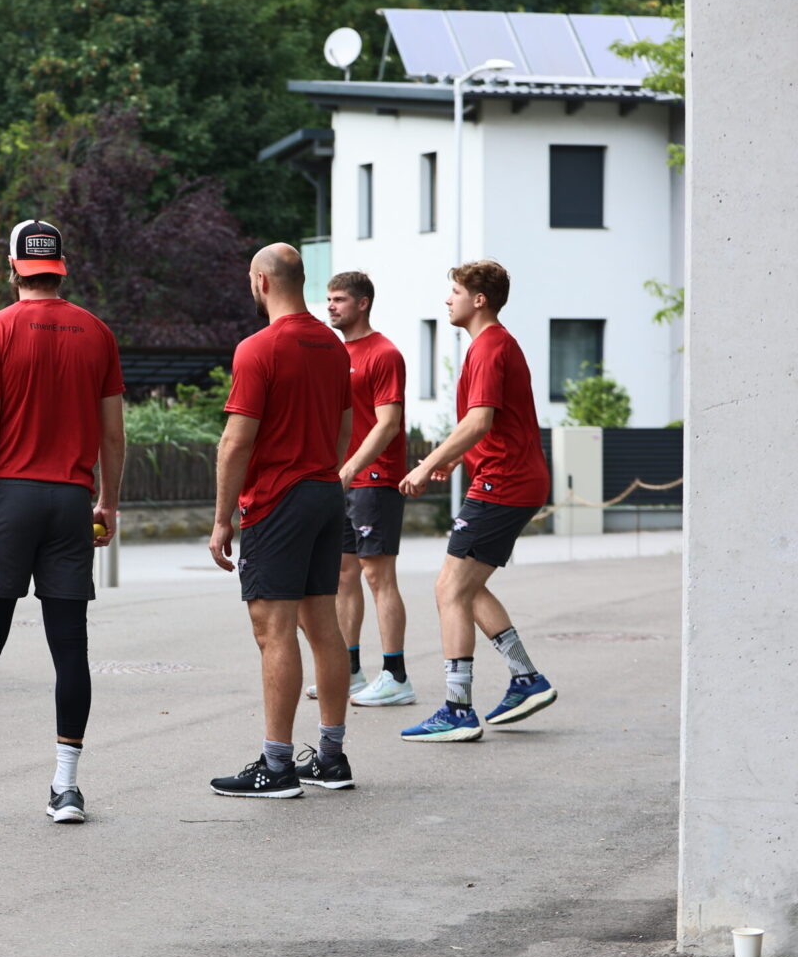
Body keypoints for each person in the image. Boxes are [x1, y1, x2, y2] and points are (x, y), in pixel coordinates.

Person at [0, 220, 125, 826]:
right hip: (69, 501)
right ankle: (66, 789)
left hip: (7, 501)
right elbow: (114, 434)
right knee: (71, 648)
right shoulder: (97, 333)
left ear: (13, 269)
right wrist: (107, 502)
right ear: (61, 267)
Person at [207, 243, 355, 798]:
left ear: (262, 282)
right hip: (323, 491)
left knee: (273, 630)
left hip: (277, 500)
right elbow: (344, 429)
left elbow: (235, 442)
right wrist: (321, 471)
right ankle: (332, 759)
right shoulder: (333, 345)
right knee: (323, 625)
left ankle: (276, 766)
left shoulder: (259, 348)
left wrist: (222, 519)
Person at [399, 260, 557, 742]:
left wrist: (428, 463)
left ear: (479, 299)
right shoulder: (494, 344)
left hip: (503, 483)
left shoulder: (489, 347)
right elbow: (486, 424)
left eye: (455, 291)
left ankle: (457, 709)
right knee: (466, 587)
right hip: (510, 479)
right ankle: (526, 679)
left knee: (449, 589)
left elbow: (479, 420)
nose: (448, 299)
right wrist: (455, 458)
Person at [316, 271, 414, 708]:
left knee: (379, 576)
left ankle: (396, 676)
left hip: (375, 479)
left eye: (339, 299)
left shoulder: (384, 353)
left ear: (363, 303)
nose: (330, 306)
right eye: (328, 298)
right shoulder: (336, 353)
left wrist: (353, 466)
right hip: (341, 479)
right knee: (342, 574)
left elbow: (388, 423)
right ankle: (349, 670)